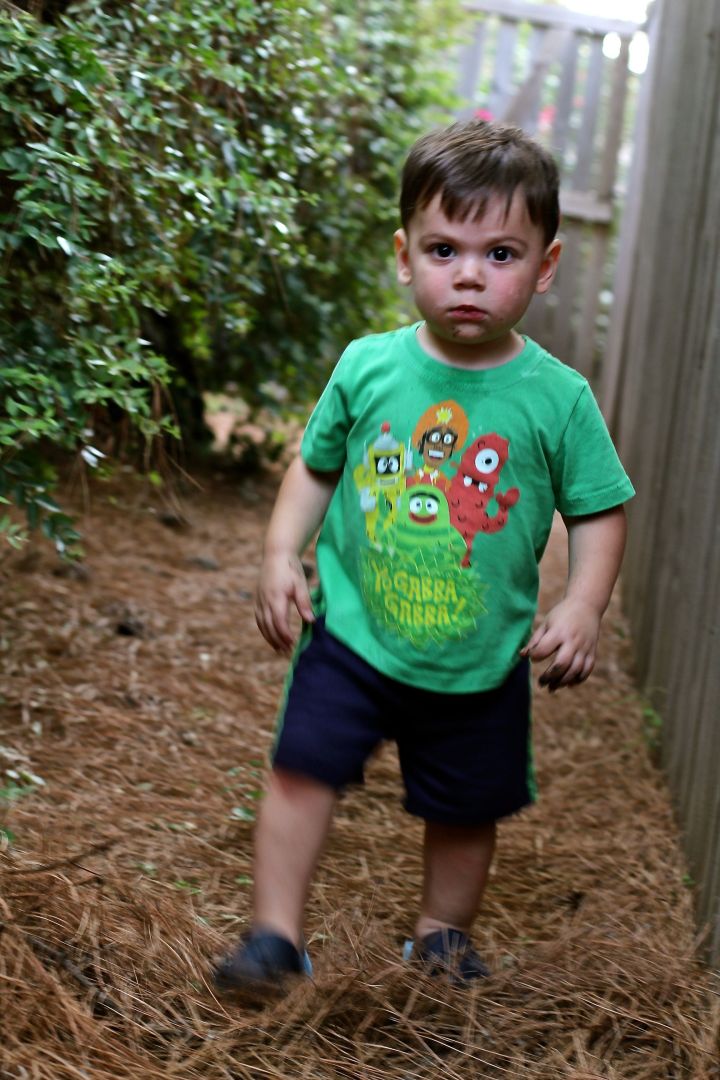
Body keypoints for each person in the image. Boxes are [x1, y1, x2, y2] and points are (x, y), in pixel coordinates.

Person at [213, 119, 634, 994]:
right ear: (405, 257)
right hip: (353, 637)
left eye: (502, 253)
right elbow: (316, 465)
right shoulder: (370, 367)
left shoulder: (557, 399)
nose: (470, 274)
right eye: (445, 249)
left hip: (480, 659)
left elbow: (600, 510)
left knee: (467, 808)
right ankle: (275, 936)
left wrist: (584, 604)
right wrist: (281, 552)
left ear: (546, 265)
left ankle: (441, 936)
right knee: (301, 770)